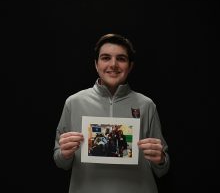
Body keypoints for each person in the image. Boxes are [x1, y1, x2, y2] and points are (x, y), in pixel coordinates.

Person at [53, 33, 170, 193]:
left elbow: (162, 169)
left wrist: (161, 159)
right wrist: (63, 154)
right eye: (106, 58)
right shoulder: (74, 103)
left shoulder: (146, 105)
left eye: (121, 58)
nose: (113, 64)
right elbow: (61, 162)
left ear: (130, 66)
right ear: (96, 64)